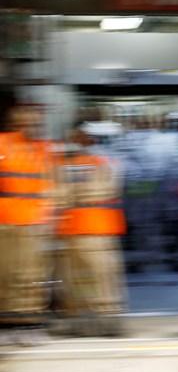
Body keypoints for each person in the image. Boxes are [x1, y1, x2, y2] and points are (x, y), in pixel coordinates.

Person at [55, 120, 126, 336]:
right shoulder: (62, 163)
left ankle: (109, 320)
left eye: (81, 135)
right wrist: (73, 194)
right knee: (74, 280)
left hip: (97, 229)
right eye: (74, 135)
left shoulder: (104, 160)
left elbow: (106, 189)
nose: (77, 140)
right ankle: (81, 322)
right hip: (70, 230)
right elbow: (57, 194)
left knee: (103, 276)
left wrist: (73, 194)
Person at [0, 96, 57, 345]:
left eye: (36, 115)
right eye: (26, 113)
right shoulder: (2, 144)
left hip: (36, 223)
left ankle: (30, 324)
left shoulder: (45, 149)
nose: (32, 119)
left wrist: (52, 217)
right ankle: (7, 325)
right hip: (7, 222)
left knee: (34, 277)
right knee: (7, 275)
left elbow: (53, 185)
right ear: (15, 116)